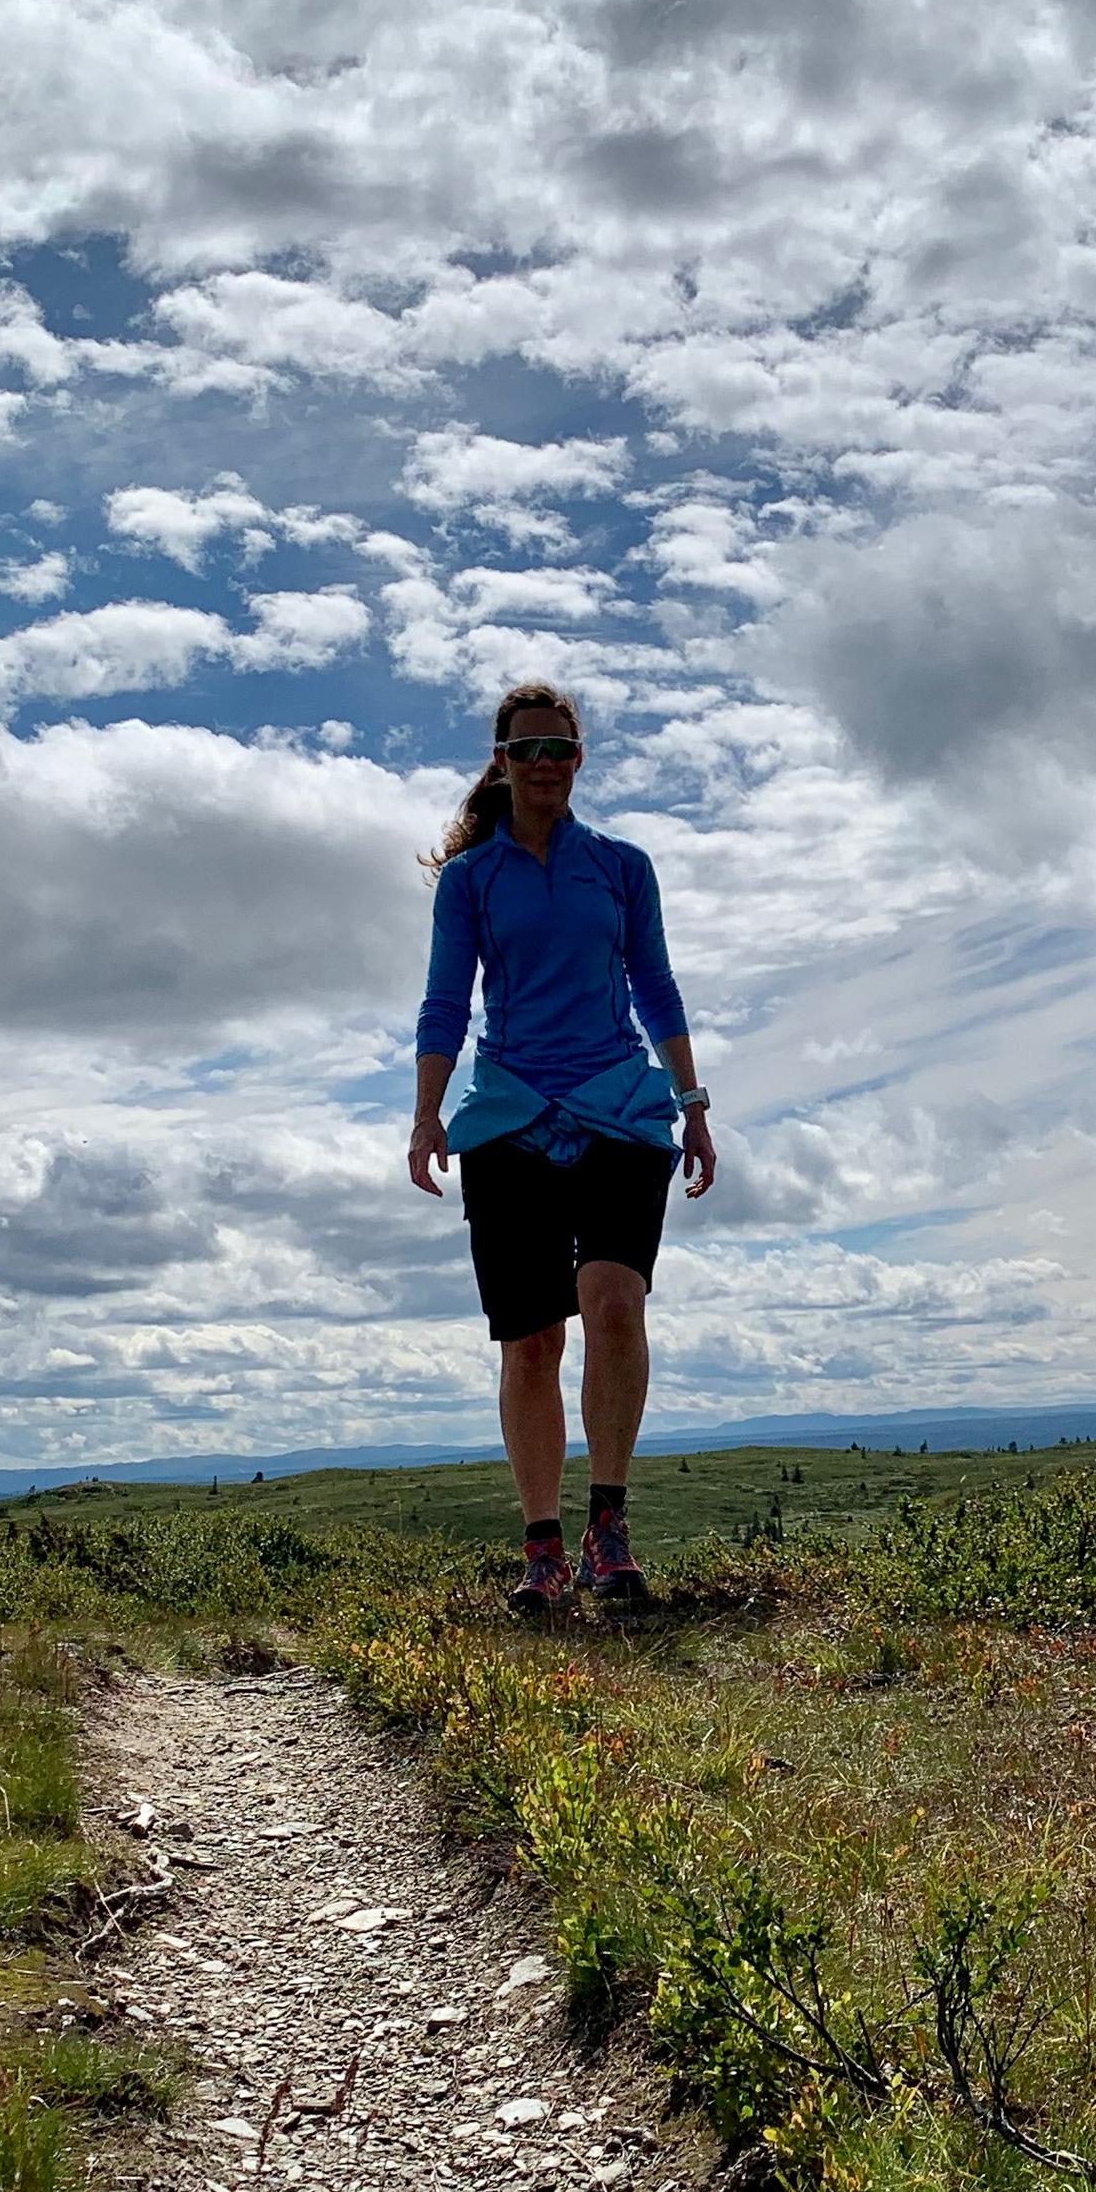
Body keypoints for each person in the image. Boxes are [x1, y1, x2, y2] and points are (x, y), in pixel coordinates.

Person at [409, 681, 719, 1612]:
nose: (546, 765)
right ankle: (543, 1545)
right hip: (507, 1116)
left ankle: (609, 1528)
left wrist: (693, 1104)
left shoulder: (622, 867)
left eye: (562, 749)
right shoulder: (472, 881)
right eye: (528, 750)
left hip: (622, 1108)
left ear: (580, 760)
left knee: (614, 1303)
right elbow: (443, 1003)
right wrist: (428, 1114)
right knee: (533, 1338)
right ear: (500, 764)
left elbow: (656, 988)